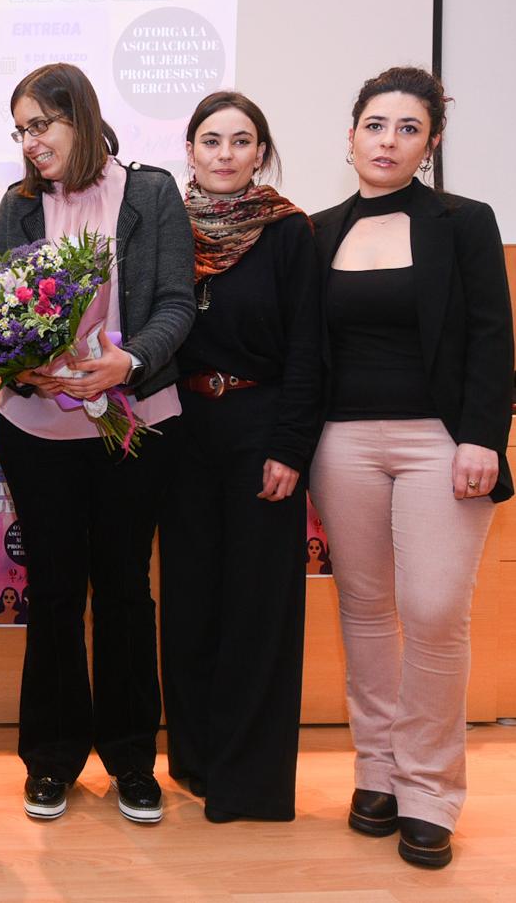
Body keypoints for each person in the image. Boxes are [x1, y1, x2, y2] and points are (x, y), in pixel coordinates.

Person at [309, 66, 514, 871]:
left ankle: (430, 791)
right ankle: (378, 776)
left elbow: (493, 334)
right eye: (375, 125)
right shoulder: (317, 230)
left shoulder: (464, 222)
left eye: (407, 129)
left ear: (430, 144)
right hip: (342, 444)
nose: (387, 141)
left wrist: (481, 435)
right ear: (350, 133)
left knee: (432, 611)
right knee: (364, 611)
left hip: (443, 441)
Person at [0, 63, 194, 825]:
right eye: (21, 130)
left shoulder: (150, 193)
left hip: (133, 427)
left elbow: (176, 304)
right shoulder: (18, 206)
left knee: (126, 592)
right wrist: (25, 364)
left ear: (80, 116)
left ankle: (134, 759)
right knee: (55, 593)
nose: (31, 142)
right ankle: (51, 760)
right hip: (38, 430)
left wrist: (129, 361)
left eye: (42, 124)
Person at [158, 90, 322, 824]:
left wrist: (290, 446)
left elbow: (312, 351)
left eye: (241, 140)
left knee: (258, 609)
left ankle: (249, 782)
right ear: (189, 151)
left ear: (261, 152)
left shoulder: (290, 234)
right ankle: (194, 761)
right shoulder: (165, 230)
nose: (225, 153)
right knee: (190, 603)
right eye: (211, 140)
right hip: (179, 431)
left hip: (262, 432)